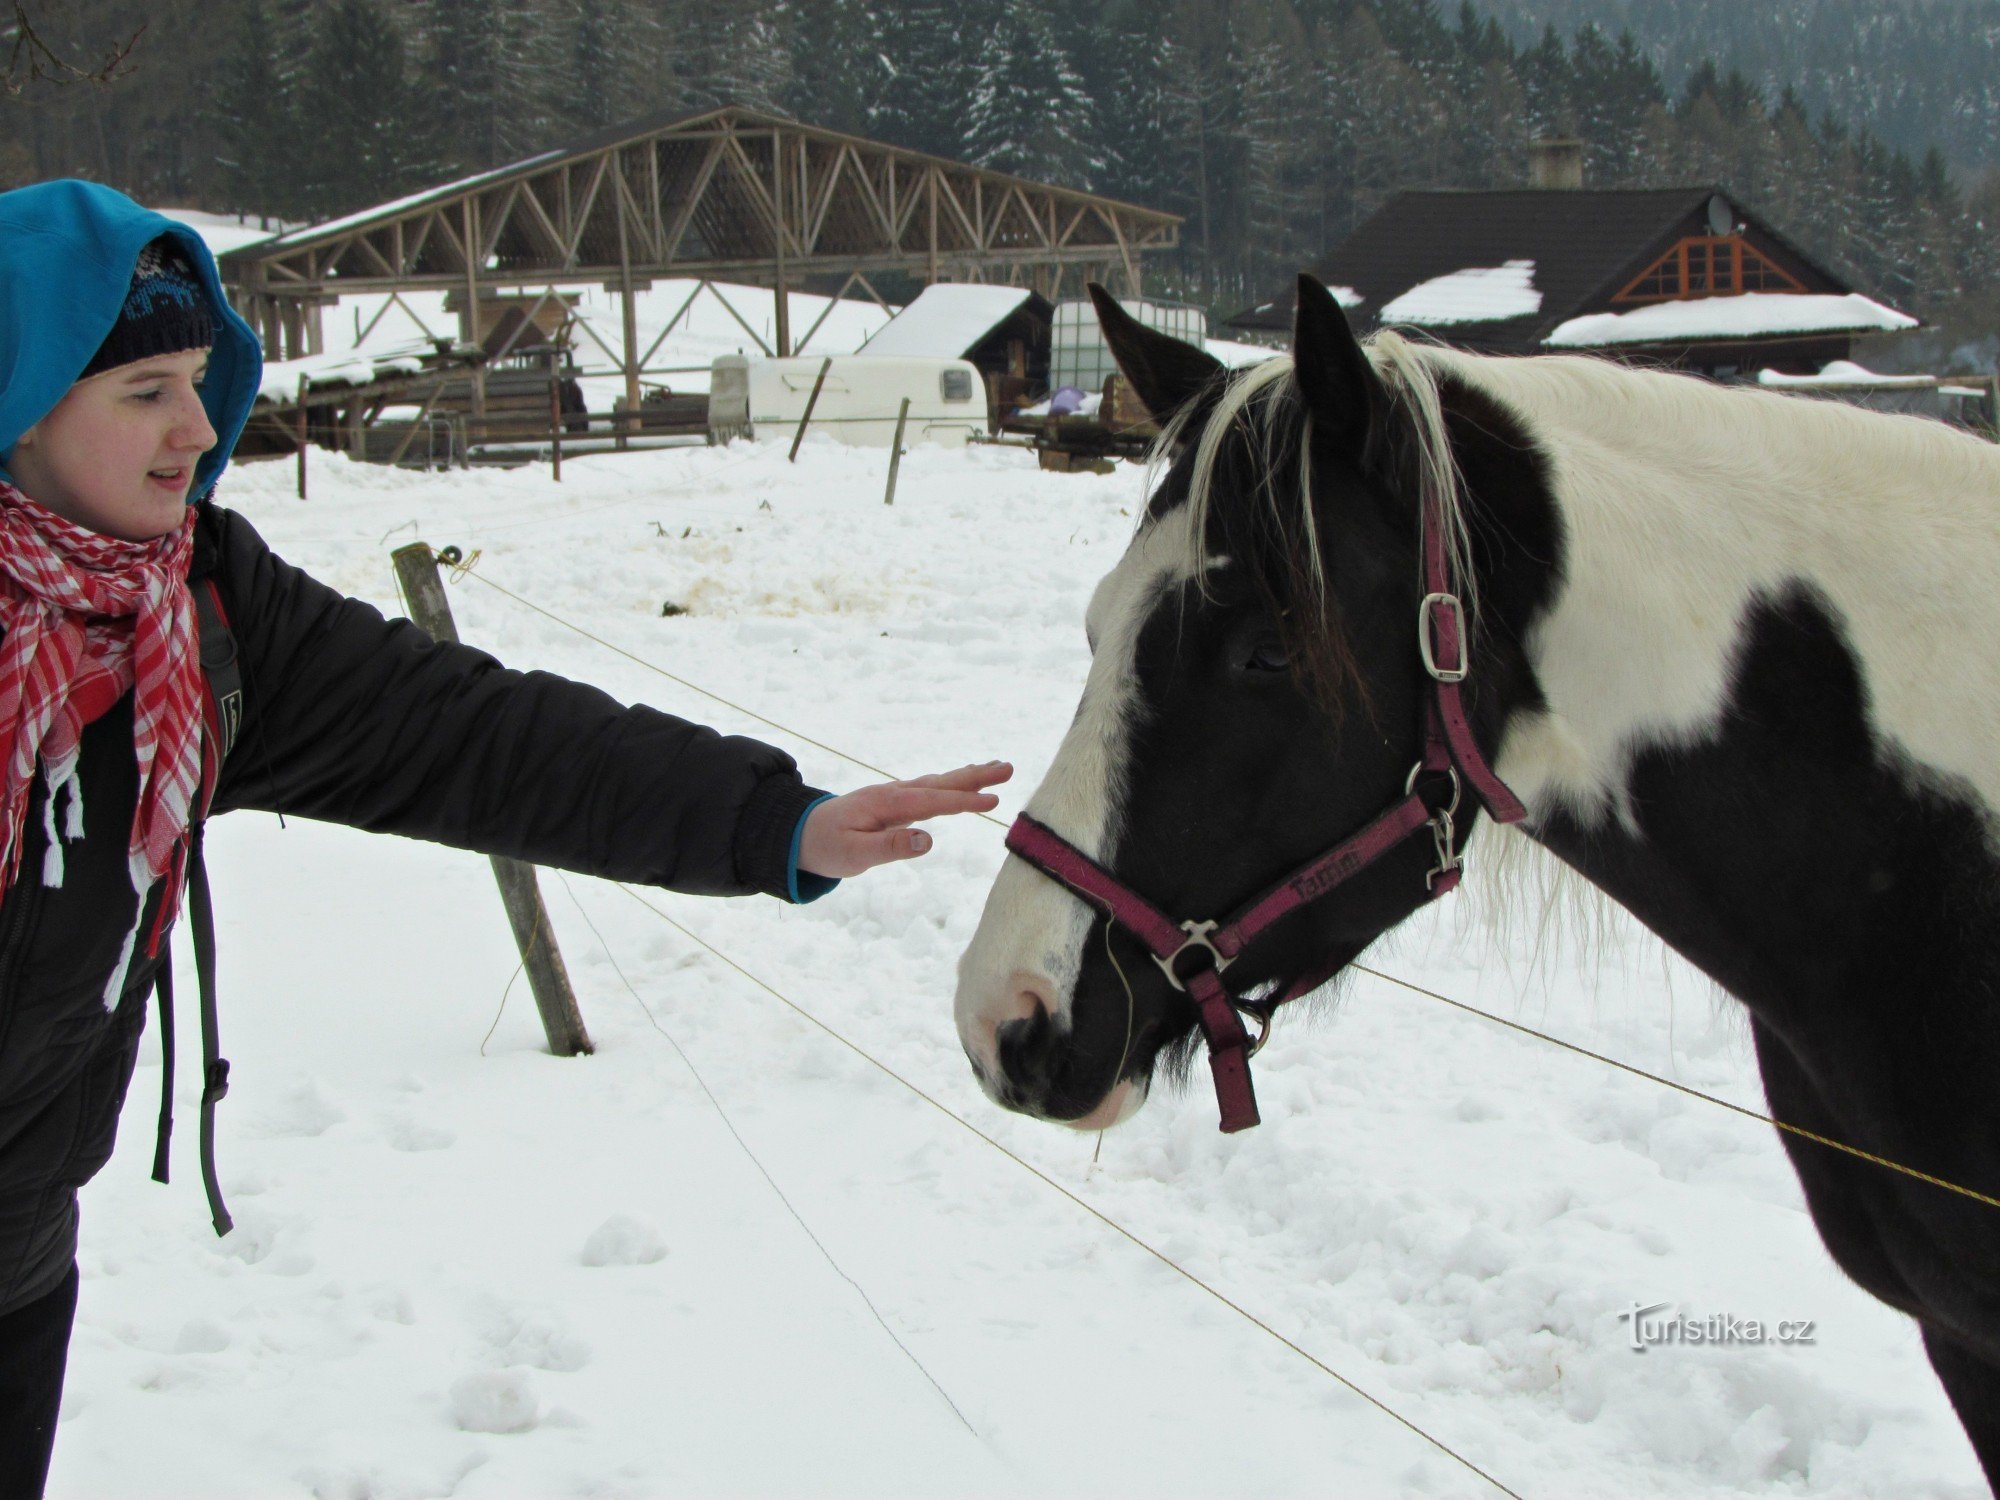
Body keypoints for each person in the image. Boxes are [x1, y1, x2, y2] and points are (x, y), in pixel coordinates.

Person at [0, 179, 1010, 1498]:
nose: (197, 427)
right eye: (142, 390)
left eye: (197, 376)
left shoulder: (197, 619)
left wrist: (780, 822)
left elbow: (478, 739)